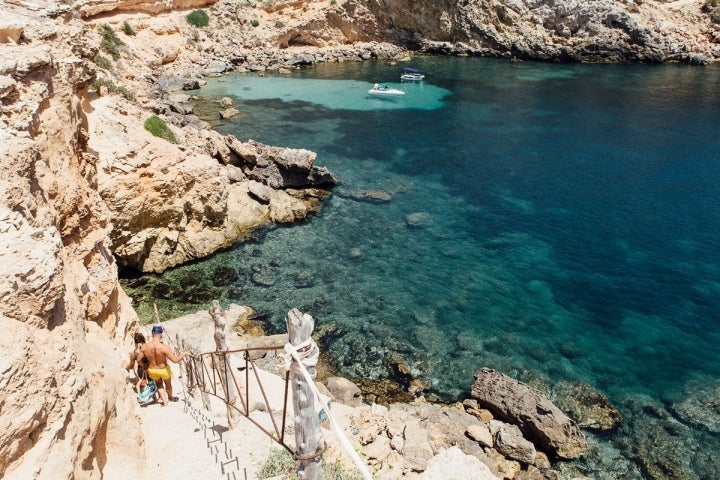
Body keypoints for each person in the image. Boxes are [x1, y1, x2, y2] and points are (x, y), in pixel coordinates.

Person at [139, 325, 189, 406]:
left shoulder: (145, 347)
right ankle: (170, 397)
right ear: (161, 335)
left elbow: (139, 360)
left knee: (159, 384)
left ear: (152, 334)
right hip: (163, 370)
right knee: (168, 384)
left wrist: (144, 365)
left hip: (152, 370)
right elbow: (175, 360)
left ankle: (165, 402)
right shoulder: (164, 347)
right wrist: (183, 354)